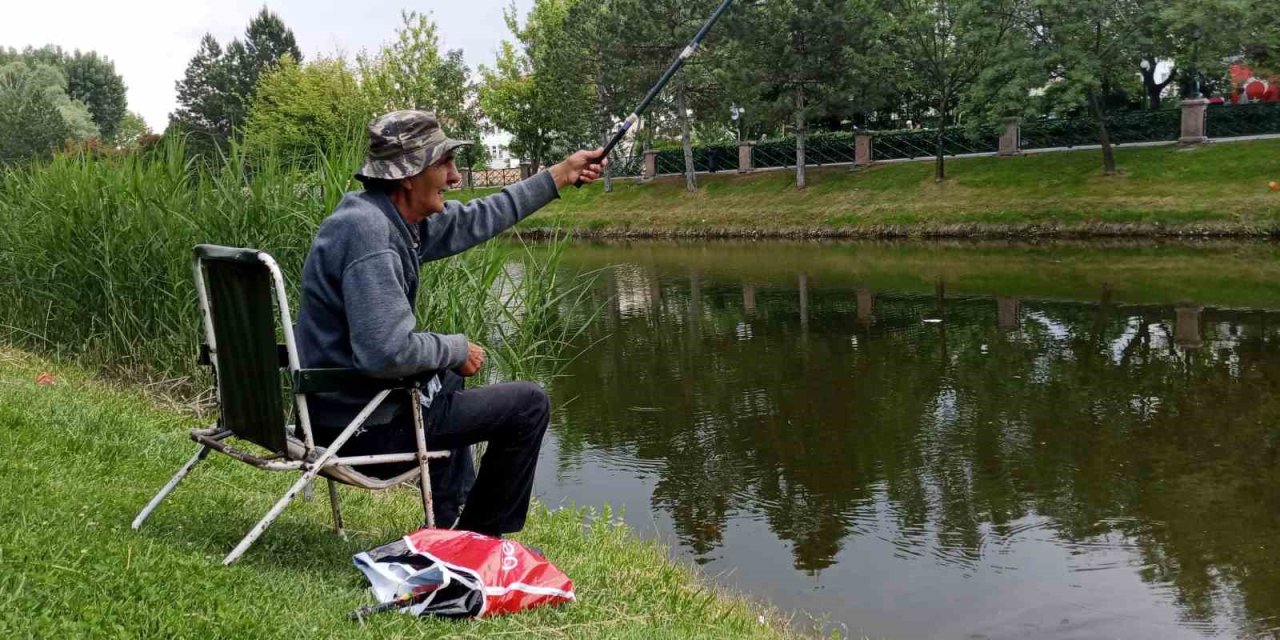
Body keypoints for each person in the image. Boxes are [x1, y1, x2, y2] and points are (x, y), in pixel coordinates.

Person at [294, 110, 604, 536]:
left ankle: (450, 518)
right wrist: (456, 347)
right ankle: (479, 538)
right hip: (358, 430)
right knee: (528, 405)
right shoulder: (373, 238)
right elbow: (386, 351)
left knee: (445, 379)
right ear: (408, 176)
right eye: (444, 164)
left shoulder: (380, 218)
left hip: (336, 412)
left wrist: (561, 175)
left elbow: (483, 215)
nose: (455, 177)